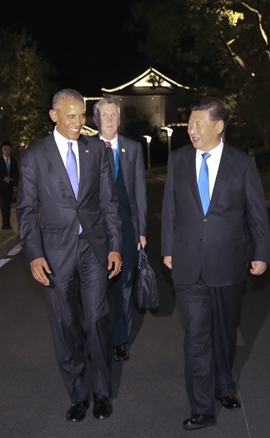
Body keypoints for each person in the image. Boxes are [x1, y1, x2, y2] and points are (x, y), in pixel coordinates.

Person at [161, 97, 270, 431]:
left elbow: (256, 213)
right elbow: (169, 208)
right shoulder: (178, 160)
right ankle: (202, 408)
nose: (191, 130)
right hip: (188, 264)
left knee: (224, 334)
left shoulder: (242, 163)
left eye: (199, 124)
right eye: (189, 124)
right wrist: (167, 248)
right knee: (196, 337)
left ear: (218, 125)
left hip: (229, 263)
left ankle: (224, 385)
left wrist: (261, 252)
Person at [16, 89, 123, 422]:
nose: (79, 122)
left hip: (94, 249)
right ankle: (78, 394)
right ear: (54, 116)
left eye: (82, 115)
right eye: (71, 116)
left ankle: (101, 392)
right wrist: (34, 254)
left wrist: (115, 245)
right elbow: (26, 211)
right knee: (66, 325)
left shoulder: (97, 151)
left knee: (97, 319)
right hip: (55, 253)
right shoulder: (34, 156)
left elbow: (109, 203)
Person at [93, 97, 147, 363]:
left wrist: (142, 231)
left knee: (124, 288)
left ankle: (120, 341)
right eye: (105, 115)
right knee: (96, 290)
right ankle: (97, 339)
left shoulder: (133, 149)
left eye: (114, 115)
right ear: (96, 120)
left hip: (126, 231)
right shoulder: (86, 148)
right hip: (95, 233)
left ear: (120, 119)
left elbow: (140, 193)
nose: (110, 119)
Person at [0, 141, 19, 229]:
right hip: (0, 187)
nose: (6, 151)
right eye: (5, 149)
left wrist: (15, 185)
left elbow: (16, 174)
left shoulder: (13, 161)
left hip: (9, 187)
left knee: (8, 206)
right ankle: (6, 225)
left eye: (8, 149)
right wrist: (3, 178)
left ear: (10, 150)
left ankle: (7, 225)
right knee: (4, 206)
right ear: (2, 150)